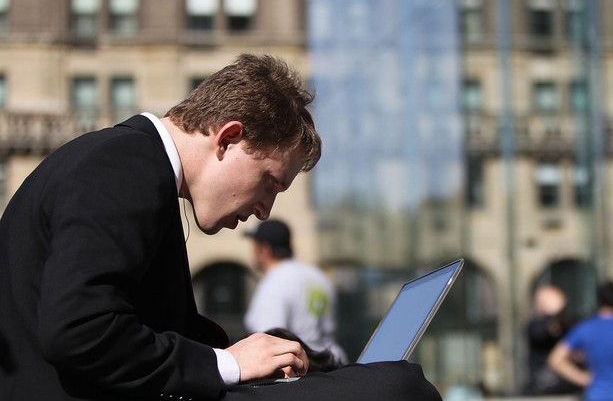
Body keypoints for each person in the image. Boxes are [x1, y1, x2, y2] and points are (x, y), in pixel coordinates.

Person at [0, 54, 441, 401]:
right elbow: (79, 332)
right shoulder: (123, 167)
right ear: (228, 138)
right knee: (400, 389)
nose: (266, 210)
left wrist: (263, 354)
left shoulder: (130, 164)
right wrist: (226, 365)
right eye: (270, 182)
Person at [244, 219, 347, 363]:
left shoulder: (274, 282)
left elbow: (267, 343)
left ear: (264, 249)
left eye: (254, 245)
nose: (252, 251)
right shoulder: (318, 276)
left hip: (303, 371)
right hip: (332, 364)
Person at [548, 280, 613, 401]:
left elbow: (555, 360)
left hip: (597, 395)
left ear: (598, 300)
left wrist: (583, 378)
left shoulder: (585, 328)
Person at [522, 285, 577, 395]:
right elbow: (544, 331)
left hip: (563, 386)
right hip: (542, 386)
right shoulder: (535, 327)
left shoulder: (568, 328)